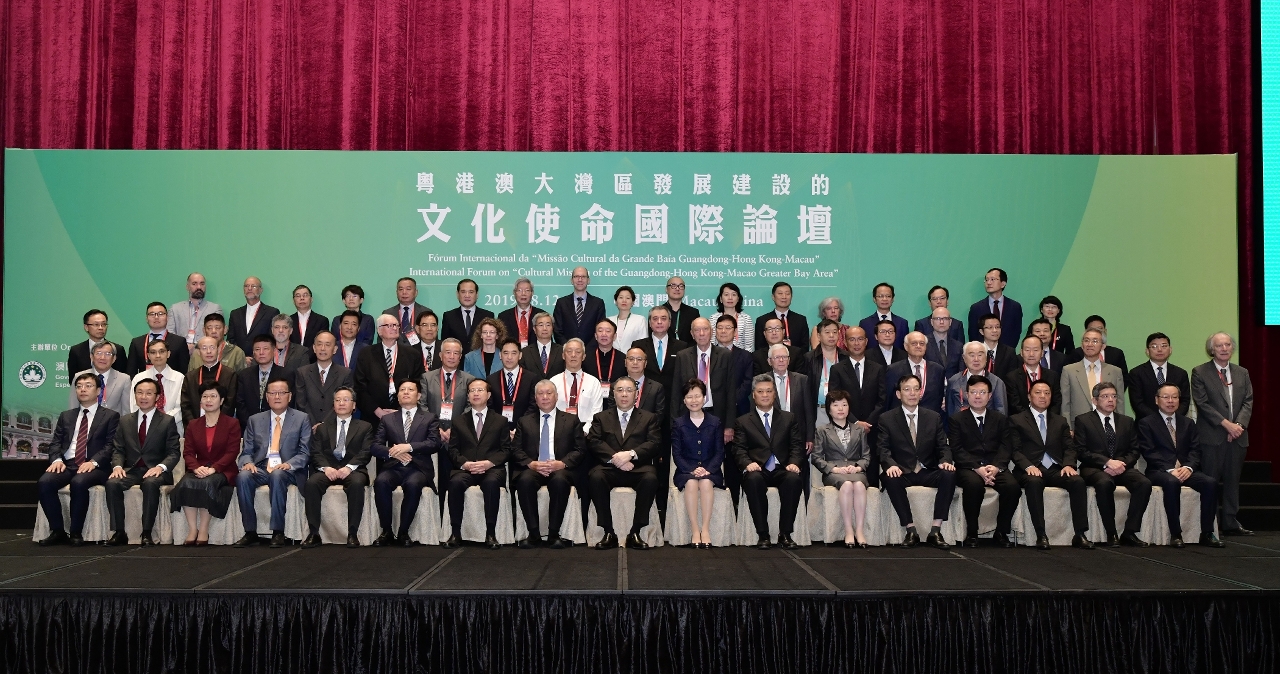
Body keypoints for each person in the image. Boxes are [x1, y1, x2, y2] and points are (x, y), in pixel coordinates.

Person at [36, 373, 121, 546]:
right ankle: (58, 531)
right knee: (45, 482)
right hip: (68, 464)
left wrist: (93, 462)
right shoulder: (66, 416)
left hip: (96, 466)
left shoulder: (110, 416)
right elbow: (55, 443)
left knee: (79, 482)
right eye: (79, 386)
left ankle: (76, 532)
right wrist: (56, 460)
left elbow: (110, 446)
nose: (83, 389)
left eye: (88, 386)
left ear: (98, 391)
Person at [1137, 384, 1225, 548]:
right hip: (1159, 470)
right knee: (1172, 482)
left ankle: (1207, 533)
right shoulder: (1146, 423)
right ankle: (1175, 533)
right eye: (1166, 397)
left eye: (1175, 397)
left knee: (1210, 483)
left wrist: (1189, 467)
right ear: (1157, 400)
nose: (1170, 401)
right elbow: (1149, 452)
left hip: (1185, 470)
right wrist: (1170, 469)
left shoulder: (1188, 423)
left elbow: (1195, 450)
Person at [1008, 381, 1092, 550]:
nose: (1043, 396)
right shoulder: (1016, 420)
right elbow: (1015, 450)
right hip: (1030, 469)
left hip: (1055, 468)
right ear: (1029, 396)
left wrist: (1069, 464)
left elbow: (1070, 447)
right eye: (1038, 393)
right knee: (1034, 482)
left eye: (1047, 393)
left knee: (1077, 481)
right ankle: (1041, 534)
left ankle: (1080, 534)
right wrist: (1028, 466)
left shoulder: (1060, 421)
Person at [877, 374, 956, 549]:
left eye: (916, 389)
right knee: (890, 478)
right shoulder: (887, 419)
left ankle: (935, 530)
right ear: (898, 394)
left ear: (921, 393)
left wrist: (945, 461)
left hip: (927, 470)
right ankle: (910, 530)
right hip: (903, 471)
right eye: (907, 389)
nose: (912, 393)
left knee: (949, 474)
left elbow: (943, 446)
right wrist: (890, 465)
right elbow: (883, 448)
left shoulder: (933, 417)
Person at [234, 379, 311, 548]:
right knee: (243, 477)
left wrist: (289, 464)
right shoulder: (255, 420)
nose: (277, 396)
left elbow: (305, 452)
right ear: (266, 397)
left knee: (277, 475)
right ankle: (250, 532)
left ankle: (278, 531)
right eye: (272, 393)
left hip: (288, 469)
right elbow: (246, 451)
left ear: (289, 396)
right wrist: (248, 463)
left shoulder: (301, 418)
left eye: (281, 393)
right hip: (261, 467)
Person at [103, 378, 181, 546]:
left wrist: (160, 467)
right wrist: (117, 466)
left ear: (157, 397)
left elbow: (174, 452)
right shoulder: (125, 421)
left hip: (156, 471)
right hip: (132, 470)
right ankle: (119, 532)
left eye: (148, 393)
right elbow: (118, 449)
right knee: (112, 483)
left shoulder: (167, 421)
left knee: (150, 483)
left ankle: (146, 532)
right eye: (139, 393)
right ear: (135, 395)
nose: (143, 397)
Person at [587, 376, 662, 549]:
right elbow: (593, 441)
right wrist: (616, 458)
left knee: (650, 478)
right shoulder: (601, 417)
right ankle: (608, 532)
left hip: (637, 467)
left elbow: (654, 443)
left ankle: (635, 532)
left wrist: (630, 455)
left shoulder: (649, 417)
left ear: (636, 394)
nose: (624, 394)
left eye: (629, 390)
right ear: (613, 394)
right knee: (595, 477)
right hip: (609, 467)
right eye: (620, 390)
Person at [1192, 332, 1254, 536]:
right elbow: (1202, 404)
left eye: (1227, 344)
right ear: (1212, 349)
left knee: (1233, 481)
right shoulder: (1200, 372)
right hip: (1212, 436)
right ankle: (1210, 525)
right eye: (1219, 345)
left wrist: (1238, 426)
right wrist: (1227, 425)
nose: (1224, 348)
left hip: (1238, 436)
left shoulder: (1242, 372)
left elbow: (1248, 401)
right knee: (1210, 481)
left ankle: (1230, 521)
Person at [1075, 382, 1151, 547]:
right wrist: (1107, 462)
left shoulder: (1127, 421)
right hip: (1094, 468)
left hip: (1122, 467)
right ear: (1095, 400)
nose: (1111, 400)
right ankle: (1111, 533)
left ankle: (1129, 532)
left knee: (1144, 483)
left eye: (1114, 396)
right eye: (1105, 396)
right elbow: (1081, 451)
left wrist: (1121, 464)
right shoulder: (1083, 420)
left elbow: (1134, 450)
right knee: (1104, 483)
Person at [733, 375, 804, 550]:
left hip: (782, 467)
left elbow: (797, 445)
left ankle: (785, 534)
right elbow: (739, 449)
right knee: (753, 479)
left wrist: (794, 462)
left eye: (769, 391)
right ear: (753, 395)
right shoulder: (743, 421)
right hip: (758, 468)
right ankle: (763, 534)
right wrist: (747, 463)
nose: (765, 395)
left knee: (794, 480)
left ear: (774, 394)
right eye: (760, 391)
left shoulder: (788, 418)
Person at [511, 380, 585, 548]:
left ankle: (553, 534)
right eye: (540, 393)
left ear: (556, 396)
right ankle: (534, 534)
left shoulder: (571, 420)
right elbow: (515, 449)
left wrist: (562, 463)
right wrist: (531, 464)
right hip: (534, 467)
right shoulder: (524, 421)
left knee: (559, 481)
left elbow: (580, 449)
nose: (545, 397)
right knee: (524, 481)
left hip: (559, 468)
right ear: (535, 398)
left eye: (549, 393)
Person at [948, 375, 1019, 548]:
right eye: (973, 392)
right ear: (966, 395)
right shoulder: (957, 420)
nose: (978, 396)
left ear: (990, 396)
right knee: (974, 485)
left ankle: (1001, 532)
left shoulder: (1000, 419)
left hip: (995, 466)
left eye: (982, 392)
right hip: (968, 468)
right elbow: (957, 449)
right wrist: (977, 468)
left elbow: (1006, 446)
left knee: (1012, 487)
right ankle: (972, 532)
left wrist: (996, 467)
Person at [371, 380, 441, 546]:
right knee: (380, 481)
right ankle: (386, 531)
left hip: (418, 468)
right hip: (393, 466)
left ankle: (403, 531)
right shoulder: (387, 419)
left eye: (410, 389)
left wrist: (409, 447)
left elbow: (434, 443)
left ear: (418, 395)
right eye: (402, 390)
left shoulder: (429, 418)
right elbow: (375, 446)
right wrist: (393, 452)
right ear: (398, 396)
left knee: (413, 484)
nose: (406, 392)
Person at [444, 380, 510, 550]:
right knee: (455, 483)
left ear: (488, 395)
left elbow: (506, 450)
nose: (475, 393)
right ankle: (455, 533)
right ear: (468, 396)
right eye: (472, 390)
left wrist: (489, 463)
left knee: (491, 483)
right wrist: (465, 464)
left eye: (480, 390)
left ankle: (490, 533)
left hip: (491, 469)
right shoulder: (459, 421)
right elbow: (453, 450)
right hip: (466, 469)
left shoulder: (500, 420)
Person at [302, 386, 371, 548]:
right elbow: (316, 452)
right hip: (329, 469)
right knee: (311, 483)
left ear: (354, 405)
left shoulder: (365, 427)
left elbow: (366, 452)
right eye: (337, 400)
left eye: (346, 400)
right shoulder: (323, 427)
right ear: (333, 405)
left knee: (357, 483)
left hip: (353, 470)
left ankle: (352, 533)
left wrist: (349, 467)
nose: (341, 403)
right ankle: (314, 533)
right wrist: (326, 468)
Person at [172, 382, 241, 545]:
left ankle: (203, 529)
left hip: (223, 469)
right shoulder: (193, 425)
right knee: (185, 483)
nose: (208, 400)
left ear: (221, 400)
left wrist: (214, 469)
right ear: (200, 401)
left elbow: (232, 452)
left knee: (207, 483)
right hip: (199, 468)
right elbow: (188, 452)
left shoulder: (232, 423)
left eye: (213, 396)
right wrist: (196, 467)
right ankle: (192, 529)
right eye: (205, 396)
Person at [810, 389, 870, 548]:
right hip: (834, 473)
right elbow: (816, 457)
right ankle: (848, 530)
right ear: (829, 409)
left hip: (856, 471)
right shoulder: (822, 430)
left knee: (858, 485)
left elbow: (866, 456)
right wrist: (834, 469)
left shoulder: (859, 430)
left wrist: (858, 468)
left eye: (844, 404)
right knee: (847, 485)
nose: (840, 408)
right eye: (835, 405)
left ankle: (859, 530)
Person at [671, 379, 725, 549]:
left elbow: (719, 452)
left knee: (706, 483)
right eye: (689, 397)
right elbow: (677, 454)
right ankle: (695, 529)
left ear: (704, 398)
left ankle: (705, 529)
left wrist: (708, 469)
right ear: (684, 400)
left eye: (697, 396)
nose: (693, 400)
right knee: (691, 483)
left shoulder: (715, 422)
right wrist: (691, 470)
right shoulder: (678, 424)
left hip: (711, 469)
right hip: (685, 470)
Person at [353, 314, 427, 422]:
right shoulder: (366, 354)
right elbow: (360, 387)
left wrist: (401, 411)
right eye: (389, 325)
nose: (394, 328)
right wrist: (377, 411)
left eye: (396, 325)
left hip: (404, 416)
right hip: (373, 417)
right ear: (379, 330)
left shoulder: (412, 354)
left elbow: (418, 384)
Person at [1061, 328, 1127, 430]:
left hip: (1108, 424)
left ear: (1103, 346)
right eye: (1086, 340)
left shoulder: (1115, 371)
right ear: (1082, 345)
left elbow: (1119, 402)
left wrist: (1120, 428)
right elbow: (1065, 403)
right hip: (1078, 426)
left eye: (1095, 341)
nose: (1090, 344)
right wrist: (1068, 428)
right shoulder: (1069, 370)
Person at [828, 326, 885, 437]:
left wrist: (868, 423)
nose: (856, 343)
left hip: (873, 428)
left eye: (860, 339)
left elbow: (882, 400)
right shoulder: (837, 369)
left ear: (866, 341)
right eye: (852, 339)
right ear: (845, 342)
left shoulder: (877, 368)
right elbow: (834, 399)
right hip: (845, 427)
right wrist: (855, 422)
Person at [421, 339, 474, 452]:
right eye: (448, 352)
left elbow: (470, 406)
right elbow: (422, 405)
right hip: (432, 435)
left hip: (459, 436)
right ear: (441, 355)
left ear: (460, 357)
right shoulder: (427, 378)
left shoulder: (469, 380)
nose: (452, 356)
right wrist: (435, 429)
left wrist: (455, 429)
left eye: (456, 353)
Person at [294, 331, 353, 423]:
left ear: (335, 349)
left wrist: (324, 425)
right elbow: (301, 403)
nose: (322, 348)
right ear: (314, 348)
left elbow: (345, 403)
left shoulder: (345, 373)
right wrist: (313, 424)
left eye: (327, 345)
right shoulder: (302, 372)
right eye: (319, 344)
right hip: (308, 425)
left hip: (334, 426)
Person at [1129, 332, 1190, 421]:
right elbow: (1137, 403)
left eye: (1164, 346)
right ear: (1147, 351)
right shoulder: (1136, 373)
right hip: (1146, 424)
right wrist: (1159, 420)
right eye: (1154, 346)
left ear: (1170, 349)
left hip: (1175, 423)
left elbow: (1185, 401)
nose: (1159, 349)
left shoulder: (1180, 373)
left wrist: (1171, 418)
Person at [129, 339, 185, 435]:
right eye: (153, 352)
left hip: (173, 428)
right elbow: (134, 406)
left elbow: (180, 408)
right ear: (148, 355)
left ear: (168, 354)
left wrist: (161, 422)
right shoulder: (139, 378)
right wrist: (151, 421)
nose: (158, 356)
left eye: (161, 351)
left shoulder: (180, 378)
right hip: (145, 428)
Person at [766, 344, 815, 453]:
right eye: (777, 357)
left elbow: (808, 411)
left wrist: (810, 437)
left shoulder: (802, 379)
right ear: (769, 361)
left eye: (784, 357)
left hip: (797, 432)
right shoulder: (762, 381)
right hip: (771, 433)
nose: (781, 360)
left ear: (789, 360)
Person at [235, 335, 294, 422]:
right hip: (249, 423)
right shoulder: (244, 375)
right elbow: (240, 403)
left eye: (265, 349)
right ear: (253, 352)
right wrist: (250, 423)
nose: (261, 353)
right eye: (257, 349)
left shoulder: (286, 374)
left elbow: (290, 402)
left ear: (274, 351)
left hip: (278, 423)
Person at [884, 332, 944, 415]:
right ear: (906, 346)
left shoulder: (937, 369)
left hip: (929, 418)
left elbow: (939, 398)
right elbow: (889, 399)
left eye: (922, 343)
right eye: (914, 343)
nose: (918, 346)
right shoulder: (893, 370)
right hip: (902, 418)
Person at [181, 336, 238, 423]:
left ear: (218, 350)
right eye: (204, 348)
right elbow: (185, 405)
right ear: (198, 352)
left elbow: (230, 404)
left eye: (212, 347)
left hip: (222, 424)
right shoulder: (190, 377)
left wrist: (217, 423)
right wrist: (194, 425)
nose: (208, 351)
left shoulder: (230, 374)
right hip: (195, 425)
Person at [553, 339, 605, 431]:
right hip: (559, 430)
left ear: (583, 356)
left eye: (578, 352)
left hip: (587, 431)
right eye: (569, 351)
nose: (573, 355)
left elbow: (596, 411)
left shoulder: (593, 382)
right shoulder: (554, 381)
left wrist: (584, 431)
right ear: (563, 356)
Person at [805, 319, 850, 425]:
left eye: (835, 332)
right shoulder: (809, 358)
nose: (831, 335)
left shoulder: (846, 357)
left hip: (842, 411)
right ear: (819, 336)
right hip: (818, 411)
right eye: (827, 332)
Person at [633, 305, 687, 394]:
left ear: (669, 322)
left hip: (673, 395)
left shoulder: (681, 346)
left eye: (663, 318)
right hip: (646, 395)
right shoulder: (638, 345)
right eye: (655, 319)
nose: (659, 322)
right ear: (650, 323)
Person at [945, 342, 1009, 417]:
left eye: (980, 355)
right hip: (959, 423)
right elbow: (950, 411)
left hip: (988, 423)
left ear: (986, 358)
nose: (976, 359)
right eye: (972, 355)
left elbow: (1001, 413)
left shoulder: (997, 382)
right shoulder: (954, 381)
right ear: (964, 358)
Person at [1005, 335, 1062, 416]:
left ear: (1042, 353)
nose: (1031, 354)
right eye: (1027, 350)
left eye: (1035, 350)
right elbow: (1014, 405)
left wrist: (1045, 418)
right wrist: (1033, 419)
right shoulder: (1012, 377)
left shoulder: (1052, 376)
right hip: (1022, 421)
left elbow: (1056, 402)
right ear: (1021, 353)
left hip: (1048, 421)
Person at [126, 303, 190, 375]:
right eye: (152, 314)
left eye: (160, 314)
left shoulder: (179, 342)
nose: (156, 317)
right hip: (144, 381)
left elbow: (184, 371)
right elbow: (131, 371)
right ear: (147, 318)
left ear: (167, 317)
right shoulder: (136, 342)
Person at [68, 341, 131, 414]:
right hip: (85, 420)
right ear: (91, 357)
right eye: (99, 353)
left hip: (113, 421)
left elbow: (126, 412)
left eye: (108, 354)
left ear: (114, 358)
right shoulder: (79, 376)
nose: (102, 358)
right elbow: (73, 407)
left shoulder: (124, 379)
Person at [168, 272, 222, 354]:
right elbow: (170, 335)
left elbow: (217, 336)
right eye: (194, 284)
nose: (199, 287)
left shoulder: (215, 309)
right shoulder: (175, 309)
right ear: (187, 287)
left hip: (205, 353)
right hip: (180, 353)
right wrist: (183, 348)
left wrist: (196, 347)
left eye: (202, 284)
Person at [487, 338, 536, 430]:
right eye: (506, 353)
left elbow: (533, 406)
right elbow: (490, 408)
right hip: (498, 430)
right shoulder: (491, 379)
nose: (509, 357)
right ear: (500, 355)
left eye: (514, 353)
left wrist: (520, 428)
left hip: (524, 429)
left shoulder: (531, 378)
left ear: (520, 355)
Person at [966, 268, 1022, 346]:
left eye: (992, 279)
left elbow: (1016, 332)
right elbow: (973, 334)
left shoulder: (1014, 307)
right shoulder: (976, 308)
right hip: (983, 351)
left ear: (1003, 284)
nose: (988, 283)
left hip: (1007, 351)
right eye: (986, 280)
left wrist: (1007, 351)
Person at [1064, 316, 1130, 381]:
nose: (1096, 332)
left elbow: (1123, 379)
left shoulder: (1116, 354)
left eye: (1100, 329)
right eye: (1092, 329)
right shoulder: (1076, 354)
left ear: (1105, 331)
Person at [553, 267, 606, 345]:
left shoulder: (598, 303)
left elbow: (600, 330)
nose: (580, 280)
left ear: (588, 280)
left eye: (583, 276)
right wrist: (569, 348)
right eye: (576, 276)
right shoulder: (561, 303)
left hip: (591, 350)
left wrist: (588, 349)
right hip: (567, 350)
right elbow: (557, 330)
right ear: (572, 280)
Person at [715, 314, 755, 416]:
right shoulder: (708, 354)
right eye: (720, 327)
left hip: (739, 408)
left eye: (728, 328)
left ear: (735, 332)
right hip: (713, 408)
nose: (723, 331)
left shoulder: (745, 356)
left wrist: (732, 401)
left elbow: (747, 382)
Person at [753, 281, 809, 354]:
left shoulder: (801, 320)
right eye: (780, 293)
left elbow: (805, 347)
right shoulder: (762, 320)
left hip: (796, 359)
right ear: (773, 297)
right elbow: (759, 348)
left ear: (791, 297)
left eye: (787, 294)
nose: (784, 297)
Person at [227, 277, 279, 356]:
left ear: (260, 290)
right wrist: (242, 357)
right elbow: (231, 339)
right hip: (239, 360)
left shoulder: (271, 312)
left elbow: (272, 339)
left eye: (253, 286)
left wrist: (256, 356)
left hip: (261, 358)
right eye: (246, 286)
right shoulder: (235, 314)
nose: (249, 288)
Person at [68, 309, 128, 377]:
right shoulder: (76, 351)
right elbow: (73, 379)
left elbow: (123, 376)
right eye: (96, 324)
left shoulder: (118, 349)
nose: (100, 328)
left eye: (103, 324)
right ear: (86, 327)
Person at [441, 278, 495, 353]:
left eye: (471, 292)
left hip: (480, 359)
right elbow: (445, 343)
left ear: (477, 294)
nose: (467, 295)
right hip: (456, 359)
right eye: (463, 292)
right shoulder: (449, 316)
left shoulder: (487, 316)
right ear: (457, 294)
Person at [583, 319, 626, 403]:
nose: (604, 334)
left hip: (616, 403)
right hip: (591, 402)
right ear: (595, 336)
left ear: (614, 336)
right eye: (600, 331)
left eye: (608, 331)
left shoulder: (623, 359)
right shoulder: (585, 358)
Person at [497, 277, 547, 349]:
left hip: (536, 354)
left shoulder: (541, 315)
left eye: (527, 290)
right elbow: (499, 342)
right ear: (514, 293)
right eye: (520, 290)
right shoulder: (504, 316)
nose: (523, 294)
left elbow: (547, 339)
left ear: (532, 293)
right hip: (512, 354)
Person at [857, 283, 909, 350]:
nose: (884, 299)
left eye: (888, 296)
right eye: (881, 296)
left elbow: (905, 347)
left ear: (893, 299)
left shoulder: (902, 323)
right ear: (874, 299)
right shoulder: (865, 323)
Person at [383, 277, 431, 343]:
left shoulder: (426, 313)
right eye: (401, 289)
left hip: (418, 349)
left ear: (416, 292)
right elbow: (382, 339)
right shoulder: (388, 313)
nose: (404, 292)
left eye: (408, 289)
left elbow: (431, 339)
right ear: (396, 292)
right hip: (395, 349)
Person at [709, 282, 754, 351]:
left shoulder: (746, 319)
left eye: (734, 295)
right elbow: (711, 343)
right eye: (726, 295)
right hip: (718, 355)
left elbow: (749, 346)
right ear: (721, 299)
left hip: (740, 356)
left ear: (738, 299)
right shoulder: (713, 318)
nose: (730, 298)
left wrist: (743, 356)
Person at [923, 308, 964, 380]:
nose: (941, 322)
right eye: (938, 319)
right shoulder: (923, 344)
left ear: (950, 322)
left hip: (953, 385)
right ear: (932, 322)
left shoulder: (958, 346)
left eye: (945, 318)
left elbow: (961, 373)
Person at [520, 312, 564, 379]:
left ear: (553, 327)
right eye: (541, 325)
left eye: (548, 325)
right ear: (534, 329)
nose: (544, 328)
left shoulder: (562, 351)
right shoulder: (525, 353)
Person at [976, 314, 1019, 379]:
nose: (995, 330)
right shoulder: (975, 350)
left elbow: (1012, 377)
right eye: (990, 327)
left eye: (997, 327)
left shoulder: (1009, 352)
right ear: (981, 331)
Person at [607, 286, 648, 351]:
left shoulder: (640, 320)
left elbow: (643, 343)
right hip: (612, 356)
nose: (624, 300)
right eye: (621, 297)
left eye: (628, 298)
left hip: (633, 356)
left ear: (633, 302)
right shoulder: (609, 321)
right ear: (616, 301)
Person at [662, 276, 701, 344]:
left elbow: (697, 336)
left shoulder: (693, 313)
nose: (677, 289)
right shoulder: (658, 312)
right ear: (666, 289)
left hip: (688, 350)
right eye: (673, 286)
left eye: (681, 286)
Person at [290, 285, 328, 351]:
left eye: (305, 295)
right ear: (293, 301)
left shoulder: (322, 321)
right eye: (298, 296)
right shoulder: (288, 321)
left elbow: (321, 343)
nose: (302, 298)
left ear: (311, 299)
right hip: (292, 356)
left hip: (313, 356)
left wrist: (306, 356)